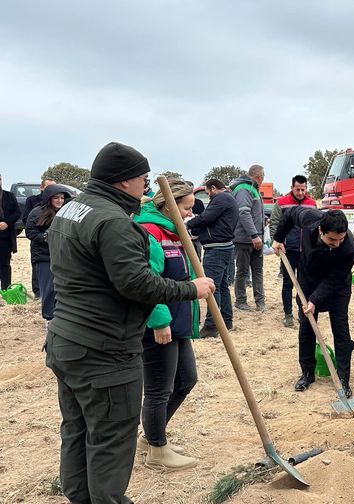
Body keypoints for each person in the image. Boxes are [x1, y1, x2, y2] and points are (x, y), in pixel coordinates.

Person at [44, 142, 214, 503]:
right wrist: (191, 289)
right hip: (103, 351)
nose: (146, 187)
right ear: (123, 182)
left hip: (66, 341)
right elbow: (136, 283)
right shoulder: (114, 222)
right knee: (109, 438)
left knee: (76, 431)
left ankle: (81, 498)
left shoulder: (71, 210)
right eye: (143, 178)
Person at [134, 180, 203, 471]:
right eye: (186, 208)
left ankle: (150, 435)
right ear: (168, 204)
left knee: (186, 380)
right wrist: (160, 320)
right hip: (159, 324)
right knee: (159, 389)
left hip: (178, 320)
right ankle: (157, 451)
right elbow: (147, 281)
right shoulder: (151, 232)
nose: (190, 213)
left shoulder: (175, 231)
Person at [273, 208, 354, 396]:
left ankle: (343, 378)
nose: (337, 243)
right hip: (308, 280)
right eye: (332, 240)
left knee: (341, 329)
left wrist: (315, 299)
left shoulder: (349, 248)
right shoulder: (309, 217)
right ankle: (307, 373)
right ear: (321, 230)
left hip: (337, 288)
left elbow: (335, 279)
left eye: (341, 239)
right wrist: (279, 238)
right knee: (306, 328)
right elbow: (288, 215)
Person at [187, 178, 238, 338]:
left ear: (213, 188)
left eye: (208, 192)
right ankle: (226, 321)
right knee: (222, 286)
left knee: (212, 287)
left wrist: (188, 224)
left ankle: (211, 326)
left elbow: (206, 218)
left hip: (216, 248)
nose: (208, 195)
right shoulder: (229, 198)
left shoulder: (221, 198)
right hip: (224, 246)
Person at [269, 174, 316, 328]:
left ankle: (302, 311)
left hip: (306, 251)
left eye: (303, 189)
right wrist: (277, 241)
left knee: (304, 283)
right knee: (288, 283)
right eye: (297, 189)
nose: (300, 193)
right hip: (288, 249)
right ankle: (288, 314)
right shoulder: (282, 203)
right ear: (292, 188)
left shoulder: (312, 204)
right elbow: (274, 223)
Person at [25, 184, 71, 322]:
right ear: (49, 198)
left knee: (61, 288)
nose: (59, 201)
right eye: (56, 198)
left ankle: (60, 317)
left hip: (62, 256)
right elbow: (30, 232)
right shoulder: (37, 212)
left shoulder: (65, 212)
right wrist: (48, 238)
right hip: (44, 257)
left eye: (62, 198)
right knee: (49, 289)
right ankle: (49, 318)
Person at [232, 164, 266, 311]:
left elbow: (253, 211)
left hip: (256, 237)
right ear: (259, 176)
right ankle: (240, 301)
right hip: (244, 239)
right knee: (242, 271)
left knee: (258, 271)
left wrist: (263, 218)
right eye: (263, 176)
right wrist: (254, 234)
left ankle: (260, 302)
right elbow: (244, 213)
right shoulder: (243, 189)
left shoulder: (253, 189)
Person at [23, 178, 57, 298]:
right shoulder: (33, 204)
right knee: (39, 272)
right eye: (49, 187)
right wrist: (46, 237)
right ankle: (38, 292)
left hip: (56, 252)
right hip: (41, 250)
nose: (59, 200)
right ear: (42, 188)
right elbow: (28, 225)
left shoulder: (61, 209)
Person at [0, 173, 21, 291]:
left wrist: (7, 223)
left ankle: (6, 290)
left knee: (5, 265)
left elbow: (17, 213)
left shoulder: (9, 196)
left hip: (5, 238)